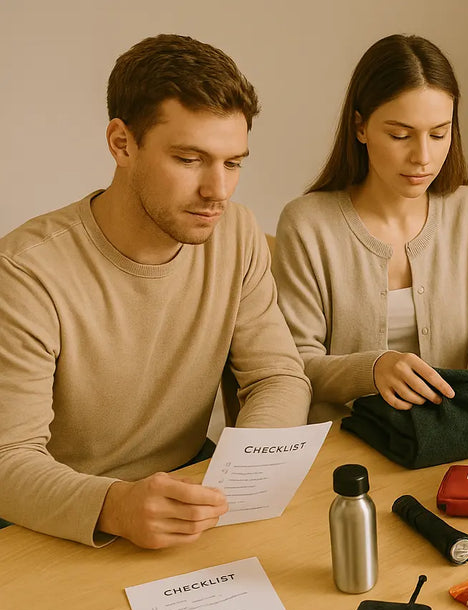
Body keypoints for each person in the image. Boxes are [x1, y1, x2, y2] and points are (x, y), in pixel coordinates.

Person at [0, 35, 312, 548]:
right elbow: (9, 459)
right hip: (56, 518)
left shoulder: (237, 234)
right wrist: (113, 505)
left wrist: (243, 474)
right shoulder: (26, 273)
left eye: (233, 163)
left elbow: (276, 376)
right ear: (122, 143)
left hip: (188, 492)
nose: (219, 191)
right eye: (190, 160)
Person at [273, 35, 468, 422]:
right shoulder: (307, 225)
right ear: (360, 127)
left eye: (439, 133)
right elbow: (294, 365)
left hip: (448, 436)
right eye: (400, 135)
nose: (423, 157)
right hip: (344, 447)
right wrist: (373, 369)